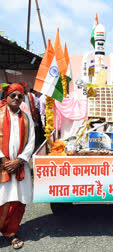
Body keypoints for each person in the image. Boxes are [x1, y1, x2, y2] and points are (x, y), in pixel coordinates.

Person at [0, 83, 35, 249]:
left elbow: (31, 142)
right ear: (6, 96)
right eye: (13, 95)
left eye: (20, 96)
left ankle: (11, 233)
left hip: (19, 166)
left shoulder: (27, 118)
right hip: (1, 166)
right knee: (2, 200)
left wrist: (19, 160)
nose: (16, 98)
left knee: (18, 201)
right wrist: (4, 161)